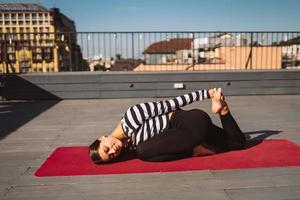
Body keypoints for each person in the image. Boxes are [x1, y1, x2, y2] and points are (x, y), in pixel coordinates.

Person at [89, 88, 246, 163]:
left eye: (106, 148)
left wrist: (207, 94)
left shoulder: (132, 116)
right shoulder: (130, 146)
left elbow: (171, 103)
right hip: (192, 137)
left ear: (102, 137)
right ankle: (223, 109)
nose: (113, 151)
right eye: (110, 156)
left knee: (143, 152)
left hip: (189, 122)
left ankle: (194, 149)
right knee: (237, 143)